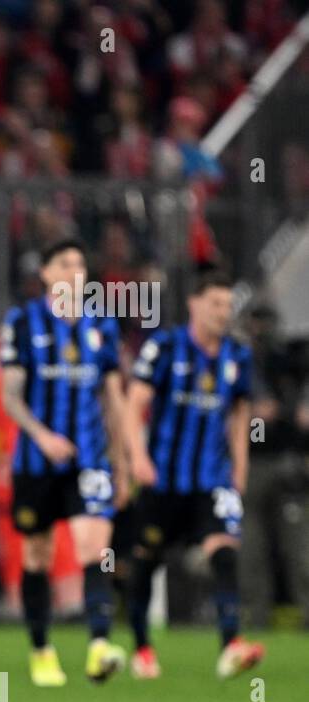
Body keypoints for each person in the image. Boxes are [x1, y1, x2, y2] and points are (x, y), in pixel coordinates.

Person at [0, 239, 129, 687]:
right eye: (65, 264)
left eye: (80, 263)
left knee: (94, 547)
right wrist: (42, 436)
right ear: (47, 274)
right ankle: (41, 650)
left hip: (90, 458)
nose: (75, 271)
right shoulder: (22, 322)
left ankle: (98, 645)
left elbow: (114, 401)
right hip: (35, 460)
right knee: (38, 554)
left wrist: (123, 461)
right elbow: (10, 396)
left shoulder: (102, 327)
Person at [123, 269, 265, 679]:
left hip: (211, 477)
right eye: (216, 304)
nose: (223, 312)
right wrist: (137, 457)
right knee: (146, 560)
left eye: (227, 305)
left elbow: (240, 415)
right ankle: (143, 649)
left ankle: (230, 645)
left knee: (224, 550)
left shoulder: (236, 355)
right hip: (163, 479)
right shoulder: (164, 347)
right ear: (194, 304)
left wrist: (240, 466)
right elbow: (135, 404)